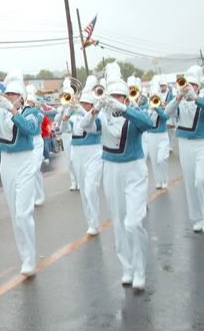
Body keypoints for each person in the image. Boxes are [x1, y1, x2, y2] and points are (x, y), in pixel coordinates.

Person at [81, 62, 153, 290]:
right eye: (112, 96)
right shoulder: (103, 117)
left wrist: (124, 109)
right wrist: (95, 108)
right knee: (119, 222)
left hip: (134, 170)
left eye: (120, 97)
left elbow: (148, 123)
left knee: (133, 222)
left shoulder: (133, 114)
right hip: (111, 170)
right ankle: (127, 267)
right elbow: (85, 126)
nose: (115, 99)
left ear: (126, 98)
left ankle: (140, 269)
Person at [0, 70, 38, 277]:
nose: (9, 98)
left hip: (25, 161)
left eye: (13, 95)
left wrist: (12, 111)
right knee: (15, 214)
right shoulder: (0, 113)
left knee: (24, 213)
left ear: (21, 98)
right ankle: (25, 257)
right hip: (8, 164)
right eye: (8, 94)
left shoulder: (31, 112)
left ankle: (31, 258)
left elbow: (30, 130)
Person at [61, 75, 103, 236]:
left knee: (91, 188)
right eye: (83, 103)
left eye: (87, 104)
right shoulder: (74, 116)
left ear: (92, 105)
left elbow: (90, 125)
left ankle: (95, 221)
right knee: (84, 190)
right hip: (77, 153)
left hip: (93, 153)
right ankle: (90, 221)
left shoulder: (98, 118)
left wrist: (85, 111)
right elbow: (64, 128)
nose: (84, 105)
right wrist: (68, 111)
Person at [165, 65, 204, 232]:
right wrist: (178, 97)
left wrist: (195, 98)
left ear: (199, 87)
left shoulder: (201, 98)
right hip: (184, 143)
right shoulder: (179, 100)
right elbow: (166, 112)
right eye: (187, 85)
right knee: (189, 182)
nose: (189, 87)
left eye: (193, 85)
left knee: (200, 180)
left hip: (201, 143)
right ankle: (198, 217)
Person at [145, 83, 170, 189]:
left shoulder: (164, 106)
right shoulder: (147, 107)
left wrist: (157, 108)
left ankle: (164, 179)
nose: (154, 99)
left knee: (161, 159)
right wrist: (149, 109)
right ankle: (158, 182)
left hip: (162, 136)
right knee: (154, 162)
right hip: (151, 137)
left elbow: (165, 117)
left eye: (156, 97)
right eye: (152, 97)